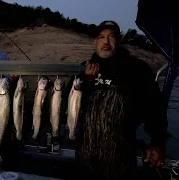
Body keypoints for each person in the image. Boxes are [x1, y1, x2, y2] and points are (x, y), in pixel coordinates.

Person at [65, 20, 168, 179]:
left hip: (121, 159)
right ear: (95, 42)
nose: (106, 42)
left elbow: (155, 109)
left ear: (119, 40)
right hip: (85, 156)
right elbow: (67, 102)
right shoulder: (84, 69)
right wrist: (86, 82)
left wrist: (157, 143)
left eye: (111, 36)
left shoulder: (137, 69)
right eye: (101, 37)